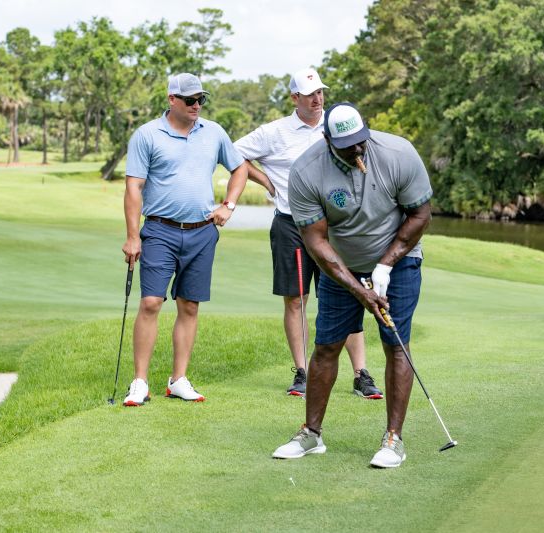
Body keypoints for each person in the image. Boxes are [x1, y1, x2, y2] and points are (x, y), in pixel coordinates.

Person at [272, 102, 433, 468]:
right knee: (327, 346)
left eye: (361, 141)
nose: (358, 150)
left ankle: (393, 439)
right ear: (327, 139)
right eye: (347, 145)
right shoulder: (307, 171)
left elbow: (420, 214)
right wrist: (359, 289)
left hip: (399, 262)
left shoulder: (397, 154)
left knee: (396, 345)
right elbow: (316, 242)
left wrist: (385, 266)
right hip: (340, 268)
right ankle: (311, 434)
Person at [234, 68, 382, 399]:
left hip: (336, 227)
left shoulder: (336, 125)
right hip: (291, 224)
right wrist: (267, 181)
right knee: (296, 299)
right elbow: (232, 154)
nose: (317, 99)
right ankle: (302, 371)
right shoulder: (275, 132)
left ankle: (361, 373)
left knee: (350, 293)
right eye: (310, 94)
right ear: (294, 98)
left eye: (320, 93)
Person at [121, 73, 247, 406]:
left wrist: (229, 205)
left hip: (202, 232)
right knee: (151, 303)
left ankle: (178, 379)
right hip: (160, 229)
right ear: (171, 100)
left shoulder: (214, 132)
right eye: (190, 100)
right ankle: (139, 382)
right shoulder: (147, 135)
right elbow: (134, 187)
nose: (196, 106)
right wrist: (133, 236)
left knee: (189, 306)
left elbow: (240, 168)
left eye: (200, 100)